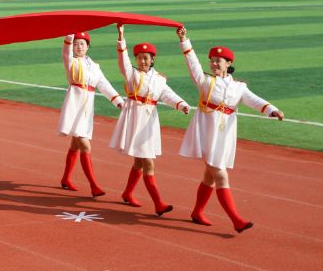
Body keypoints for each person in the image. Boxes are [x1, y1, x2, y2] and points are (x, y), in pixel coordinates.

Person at [176, 27, 284, 233]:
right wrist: (184, 40)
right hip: (206, 132)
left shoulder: (239, 87)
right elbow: (193, 64)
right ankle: (236, 220)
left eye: (219, 61)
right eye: (212, 60)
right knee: (221, 176)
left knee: (209, 175)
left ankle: (197, 212)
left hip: (225, 134)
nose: (214, 64)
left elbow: (253, 100)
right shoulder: (205, 81)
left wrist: (272, 109)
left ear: (229, 64)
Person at [110, 25, 190, 215]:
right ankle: (158, 203)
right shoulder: (132, 74)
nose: (142, 61)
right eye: (139, 58)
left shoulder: (160, 79)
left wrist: (181, 104)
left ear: (153, 60)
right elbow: (123, 62)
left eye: (146, 58)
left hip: (149, 121)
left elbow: (167, 95)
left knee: (140, 160)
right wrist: (121, 38)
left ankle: (128, 193)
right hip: (135, 118)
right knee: (148, 161)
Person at [57, 32, 124, 196]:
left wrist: (117, 100)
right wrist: (69, 36)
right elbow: (65, 52)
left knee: (75, 144)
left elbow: (103, 84)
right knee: (85, 145)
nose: (79, 46)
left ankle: (66, 178)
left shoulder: (95, 66)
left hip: (87, 110)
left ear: (88, 46)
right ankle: (94, 185)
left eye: (82, 44)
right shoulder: (71, 62)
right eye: (76, 44)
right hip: (75, 106)